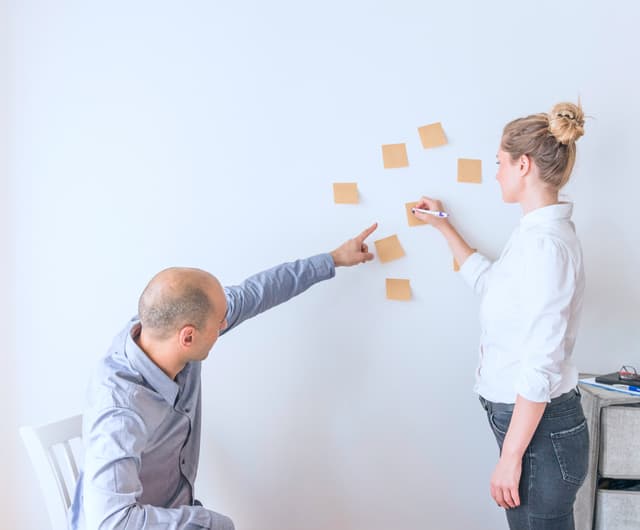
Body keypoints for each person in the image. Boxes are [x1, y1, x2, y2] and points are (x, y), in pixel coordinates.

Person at [69, 223, 378, 530]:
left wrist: (333, 259)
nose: (226, 323)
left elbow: (257, 292)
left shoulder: (164, 330)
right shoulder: (120, 410)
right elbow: (111, 523)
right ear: (188, 337)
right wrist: (210, 522)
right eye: (220, 322)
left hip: (173, 512)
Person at [413, 102, 589, 529]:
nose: (496, 174)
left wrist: (511, 457)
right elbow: (491, 284)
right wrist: (443, 226)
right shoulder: (534, 236)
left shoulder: (546, 246)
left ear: (523, 165)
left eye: (499, 163)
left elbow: (542, 361)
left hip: (539, 434)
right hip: (531, 430)